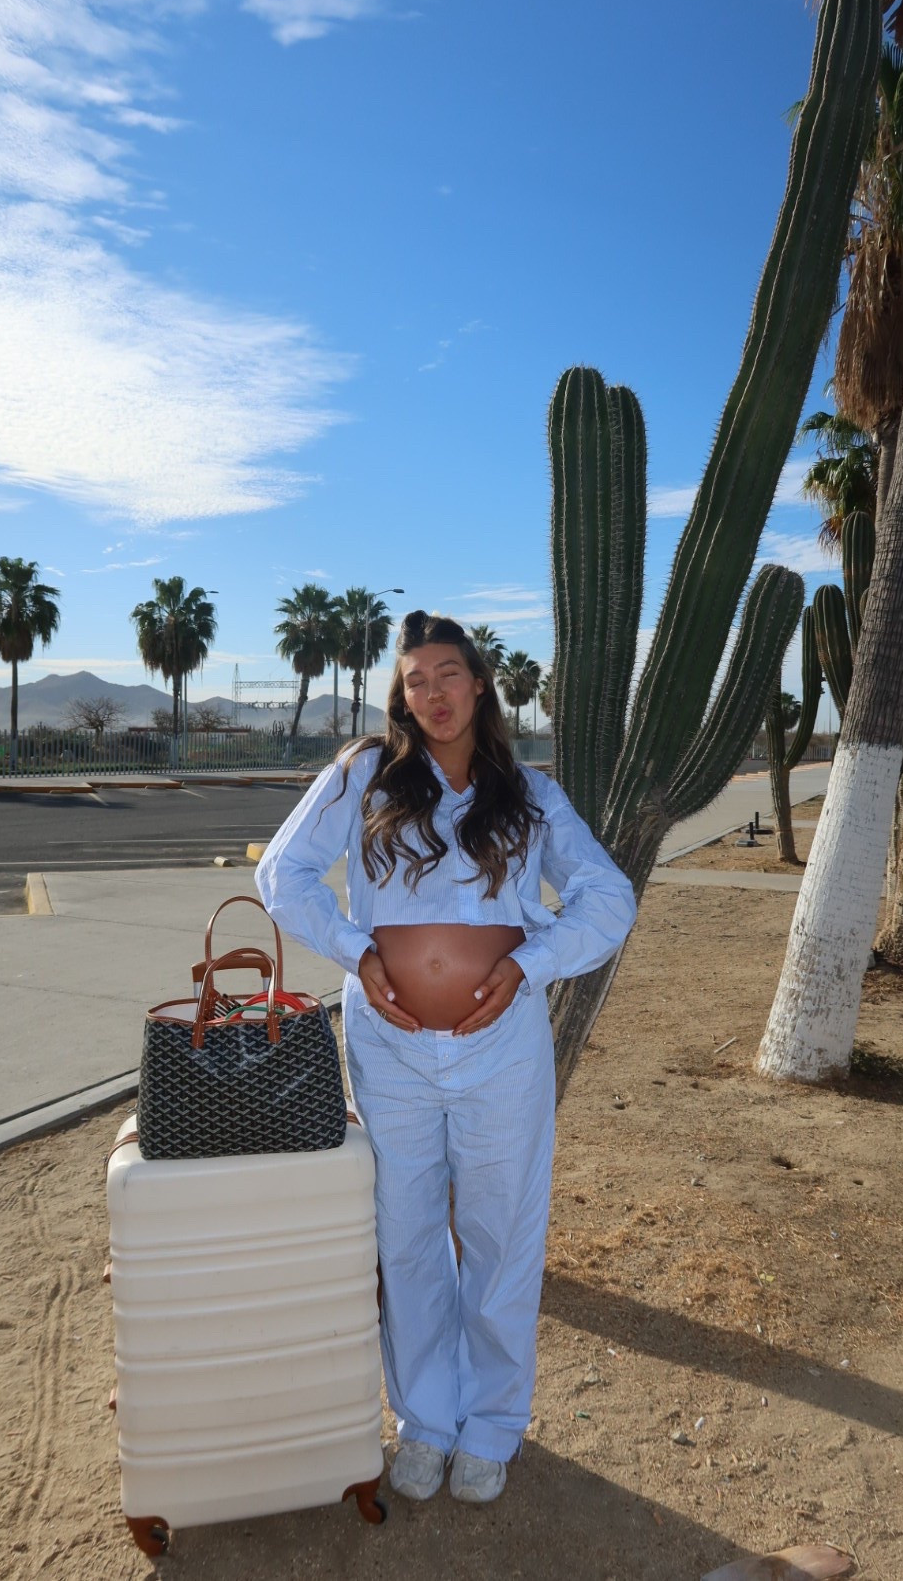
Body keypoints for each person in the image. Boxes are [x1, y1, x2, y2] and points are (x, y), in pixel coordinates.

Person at [256, 611, 635, 1505]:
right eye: (415, 678)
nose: (432, 693)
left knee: (504, 1233)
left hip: (502, 1049)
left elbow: (606, 896)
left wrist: (528, 965)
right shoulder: (362, 775)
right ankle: (425, 1420)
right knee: (410, 1232)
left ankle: (494, 1423)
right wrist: (359, 952)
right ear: (401, 690)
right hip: (388, 1045)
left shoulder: (529, 791)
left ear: (478, 685)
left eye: (449, 674)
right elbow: (283, 874)